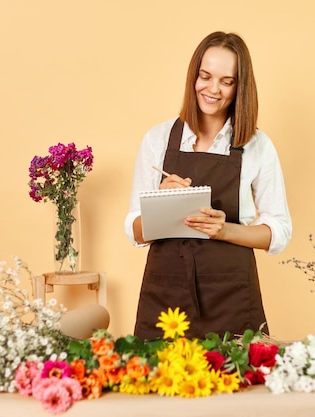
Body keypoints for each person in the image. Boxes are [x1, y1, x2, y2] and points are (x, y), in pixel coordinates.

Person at [124, 31, 292, 340]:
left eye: (226, 81)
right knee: (156, 384)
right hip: (166, 296)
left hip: (232, 295)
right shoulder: (158, 139)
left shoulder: (257, 146)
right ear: (193, 77)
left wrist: (224, 229)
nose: (213, 89)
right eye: (205, 76)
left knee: (237, 385)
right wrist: (161, 203)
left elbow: (278, 231)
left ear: (240, 87)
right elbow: (134, 230)